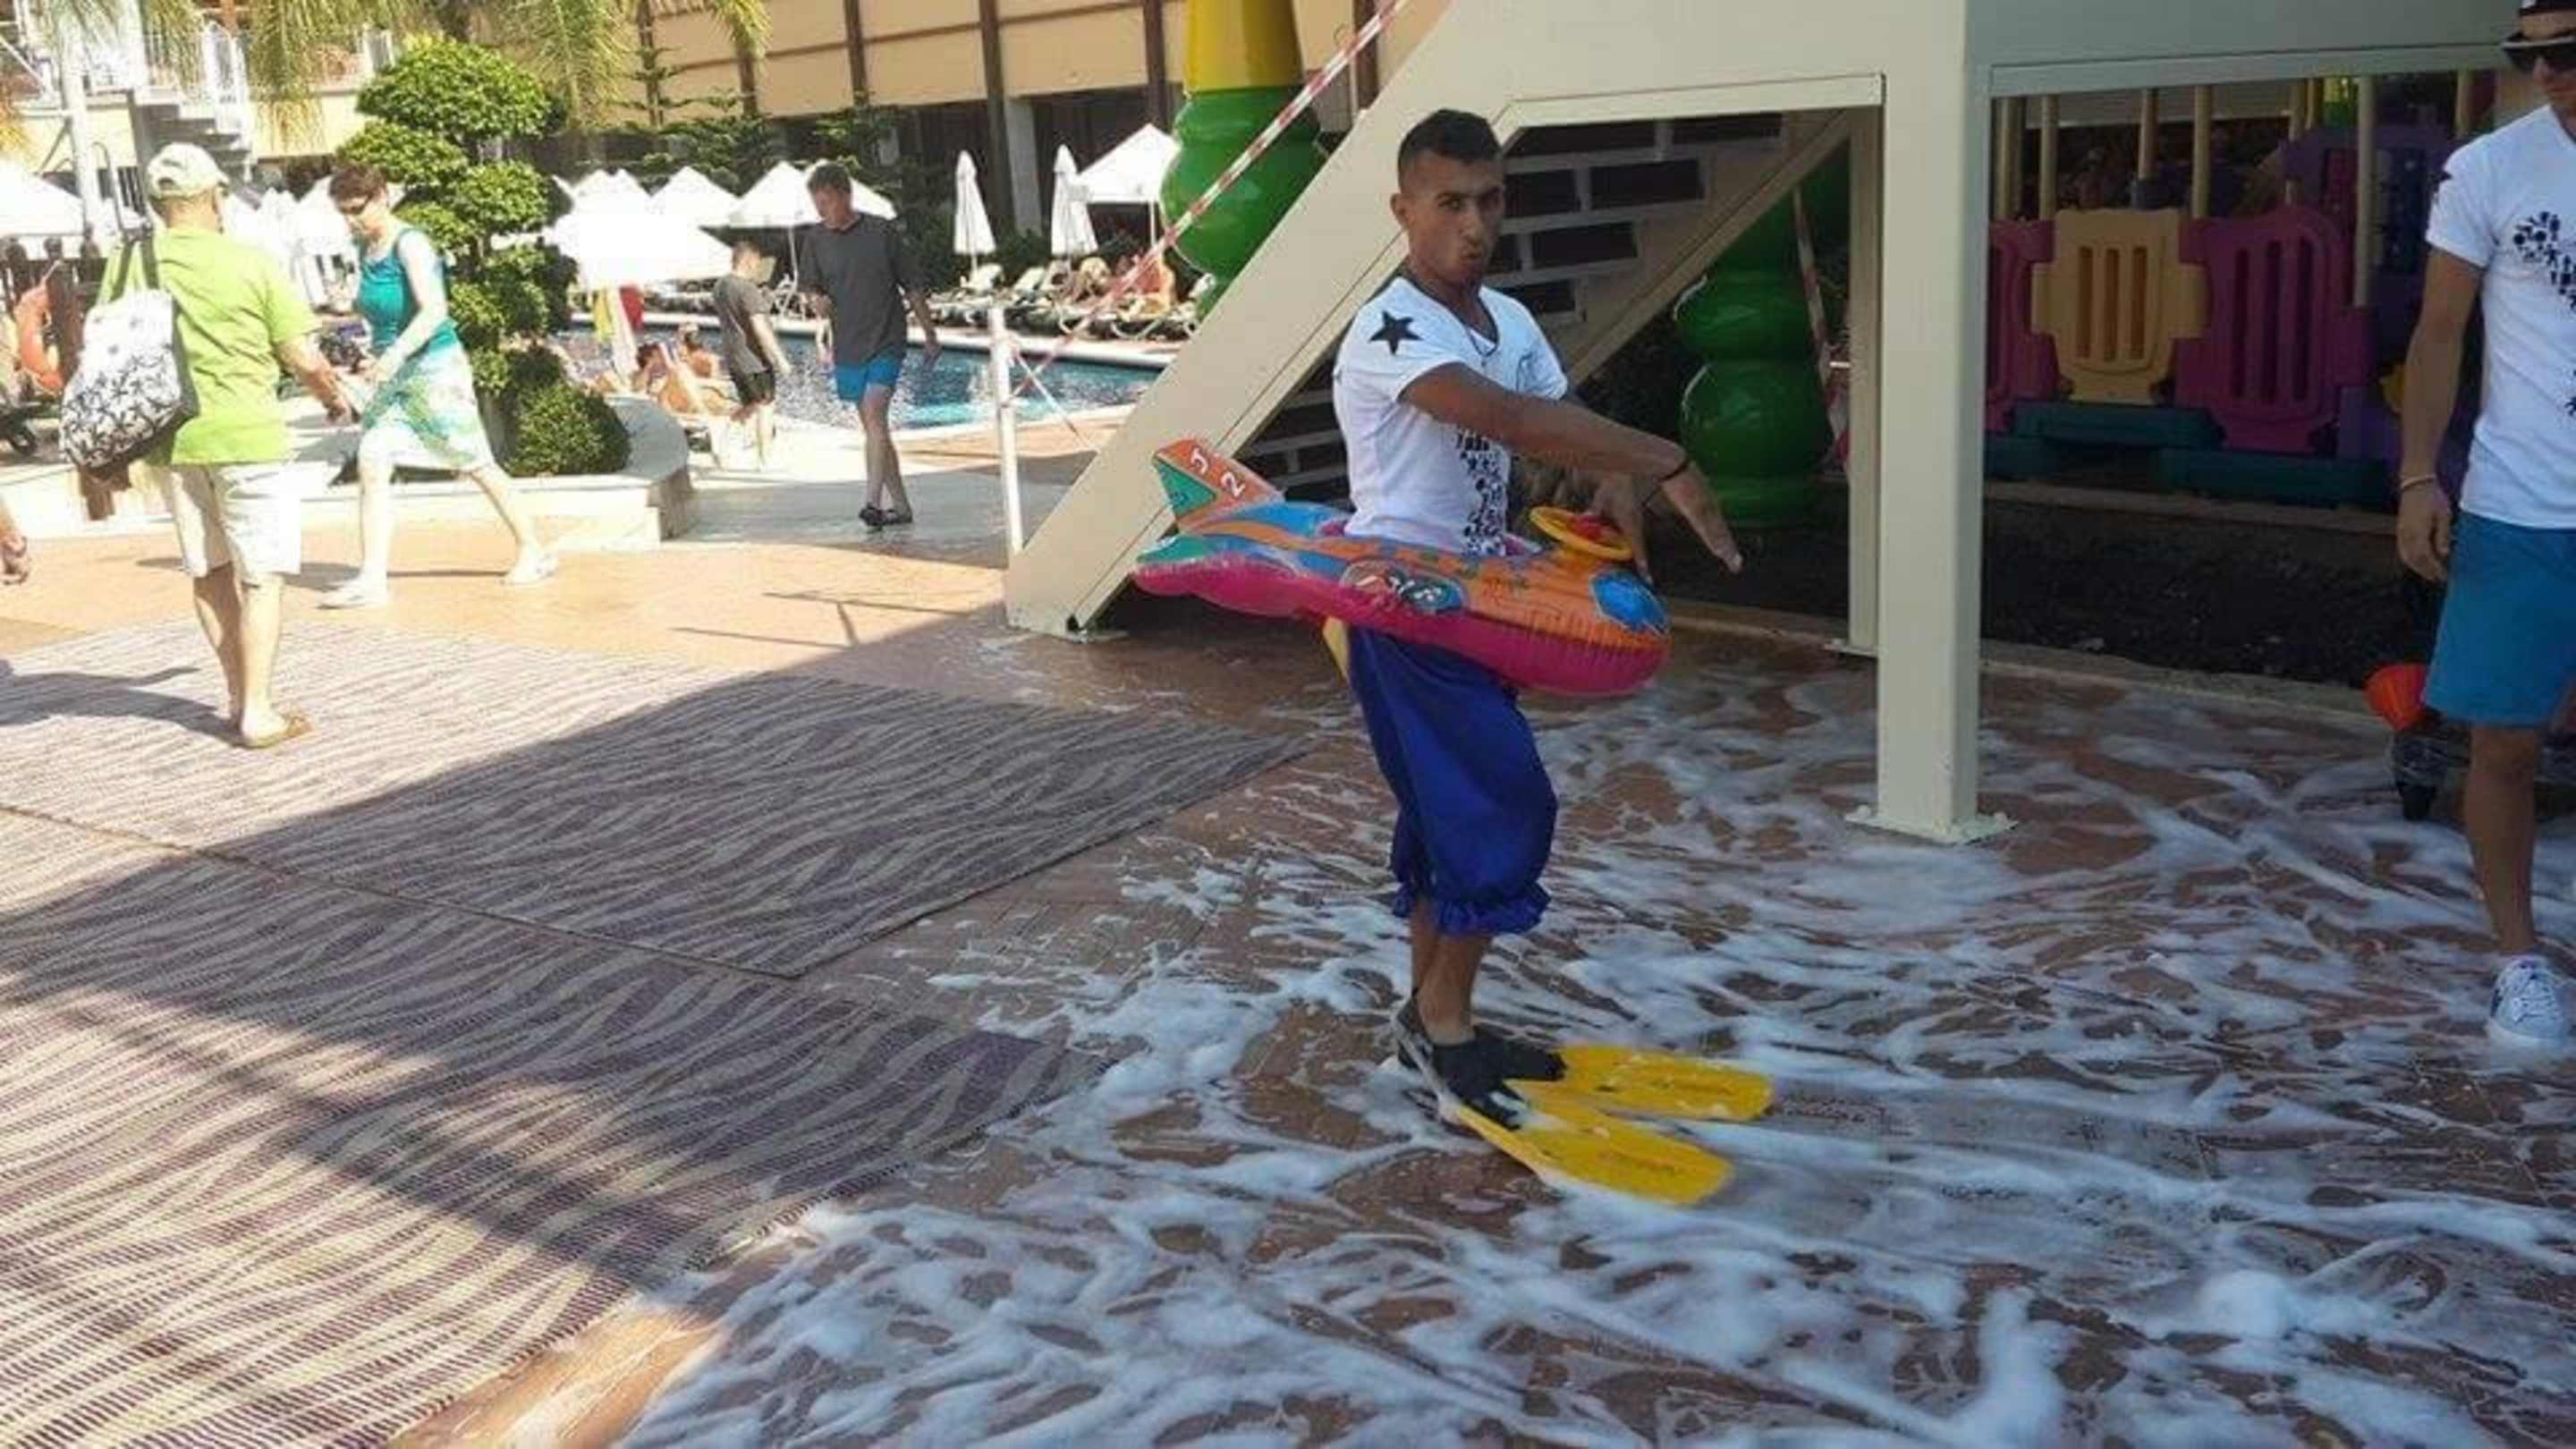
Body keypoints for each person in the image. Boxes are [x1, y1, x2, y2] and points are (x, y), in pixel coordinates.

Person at [1332, 111, 1744, 1123]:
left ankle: (1430, 1022)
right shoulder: (1390, 328)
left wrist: (1610, 482)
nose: (1474, 225)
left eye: (1490, 200)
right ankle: (1444, 1024)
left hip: (1483, 605)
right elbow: (1508, 419)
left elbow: (1557, 431)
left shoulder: (1507, 321)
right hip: (1406, 608)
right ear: (1403, 211)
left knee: (1448, 815)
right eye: (1450, 204)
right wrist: (1666, 459)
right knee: (1505, 809)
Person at [2396, 0, 2576, 1047]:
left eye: (2568, 51)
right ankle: (2519, 962)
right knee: (2504, 743)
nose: (2548, 73)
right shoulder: (2490, 169)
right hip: (2521, 507)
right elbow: (2439, 331)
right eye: (2529, 55)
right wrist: (2420, 478)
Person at [101, 144, 355, 747]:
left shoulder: (126, 263)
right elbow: (302, 356)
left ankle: (239, 696)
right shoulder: (249, 261)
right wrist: (332, 398)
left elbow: (107, 353)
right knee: (261, 574)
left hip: (170, 442)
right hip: (248, 435)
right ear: (214, 196)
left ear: (158, 203)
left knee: (210, 572)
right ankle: (259, 712)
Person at [318, 164, 554, 610]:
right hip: (393, 373)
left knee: (474, 460)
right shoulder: (364, 248)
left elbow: (434, 310)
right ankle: (372, 577)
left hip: (434, 367)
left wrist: (393, 354)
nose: (351, 220)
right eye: (343, 212)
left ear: (381, 197)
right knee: (372, 458)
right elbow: (380, 310)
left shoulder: (411, 243)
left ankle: (533, 548)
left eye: (357, 209)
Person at [797, 163, 939, 530]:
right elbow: (810, 287)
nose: (822, 211)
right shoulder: (815, 240)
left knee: (875, 413)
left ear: (845, 195)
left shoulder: (881, 232)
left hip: (886, 338)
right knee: (875, 429)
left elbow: (912, 286)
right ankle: (901, 507)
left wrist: (930, 334)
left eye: (827, 203)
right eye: (817, 205)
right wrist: (817, 301)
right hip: (848, 344)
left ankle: (872, 503)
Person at [711, 236, 791, 470]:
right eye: (757, 263)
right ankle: (764, 461)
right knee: (765, 406)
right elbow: (760, 328)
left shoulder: (721, 286)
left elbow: (737, 315)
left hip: (734, 356)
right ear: (749, 260)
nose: (758, 268)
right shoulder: (747, 288)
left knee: (751, 406)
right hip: (754, 359)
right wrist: (780, 358)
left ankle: (721, 445)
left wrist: (762, 300)